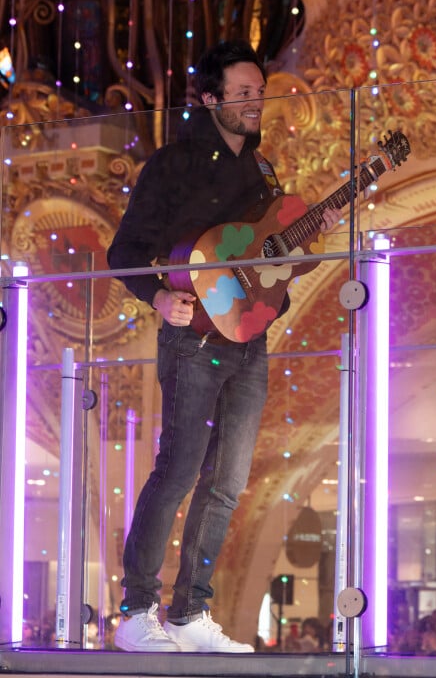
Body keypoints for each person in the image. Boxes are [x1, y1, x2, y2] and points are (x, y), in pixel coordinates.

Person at [107, 39, 340, 653]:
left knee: (228, 482)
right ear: (210, 99)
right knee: (178, 470)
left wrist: (298, 254)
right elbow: (123, 253)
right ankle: (135, 611)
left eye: (258, 93)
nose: (254, 103)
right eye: (241, 94)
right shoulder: (174, 164)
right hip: (190, 337)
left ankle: (190, 615)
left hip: (248, 341)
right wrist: (158, 297)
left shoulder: (264, 174)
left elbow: (271, 269)